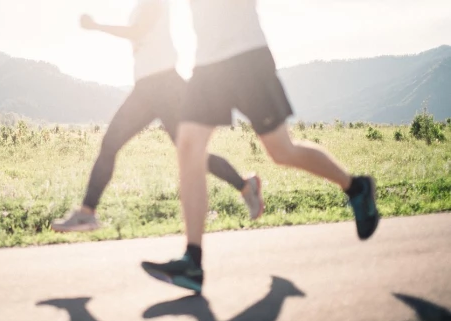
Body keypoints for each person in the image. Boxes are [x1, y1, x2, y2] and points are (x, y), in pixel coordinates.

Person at [142, 0, 380, 294]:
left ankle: (355, 186)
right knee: (188, 147)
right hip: (207, 65)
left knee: (281, 151)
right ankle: (193, 260)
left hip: (246, 56)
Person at [51, 0, 263, 232]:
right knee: (111, 144)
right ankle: (87, 214)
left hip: (165, 86)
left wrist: (97, 26)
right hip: (146, 88)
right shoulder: (138, 7)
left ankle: (245, 186)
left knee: (189, 153)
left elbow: (139, 31)